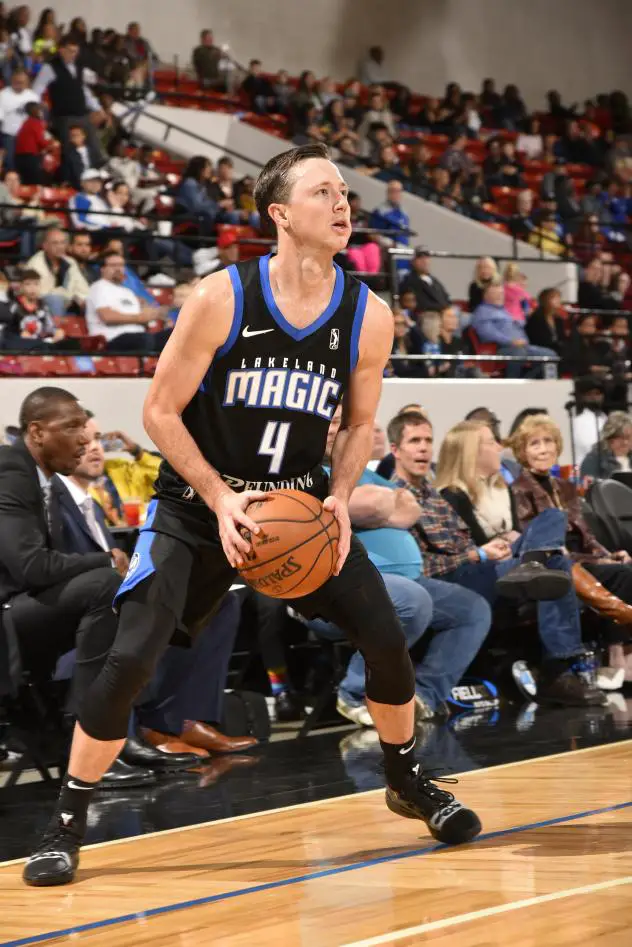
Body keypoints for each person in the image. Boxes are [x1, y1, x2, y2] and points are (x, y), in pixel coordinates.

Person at [24, 142, 483, 888]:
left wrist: (336, 499)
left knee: (386, 629)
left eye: (344, 192)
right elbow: (159, 411)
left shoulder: (369, 315)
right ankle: (67, 818)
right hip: (196, 507)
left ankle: (405, 777)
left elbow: (361, 424)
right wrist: (219, 494)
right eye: (324, 192)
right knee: (132, 653)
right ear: (280, 213)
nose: (343, 204)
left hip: (299, 504)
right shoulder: (221, 297)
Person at [391, 411, 604, 706]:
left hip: (482, 567)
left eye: (428, 439)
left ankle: (558, 664)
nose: (424, 447)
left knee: (554, 524)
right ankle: (558, 669)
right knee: (556, 562)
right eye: (415, 441)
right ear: (395, 450)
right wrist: (479, 553)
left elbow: (468, 543)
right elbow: (420, 566)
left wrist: (496, 548)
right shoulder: (395, 497)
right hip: (454, 578)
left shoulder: (432, 495)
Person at [310, 406, 492, 724]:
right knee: (412, 600)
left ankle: (423, 696)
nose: (332, 429)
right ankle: (355, 692)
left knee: (471, 610)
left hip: (407, 580)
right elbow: (350, 508)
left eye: (340, 422)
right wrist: (378, 504)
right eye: (326, 421)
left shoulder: (363, 473)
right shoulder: (307, 473)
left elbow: (410, 509)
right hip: (338, 587)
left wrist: (375, 505)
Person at [509, 415, 632, 631]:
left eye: (548, 441)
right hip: (556, 561)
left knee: (623, 565)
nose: (544, 449)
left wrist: (608, 555)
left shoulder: (565, 487)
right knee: (620, 574)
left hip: (583, 556)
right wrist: (597, 561)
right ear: (522, 451)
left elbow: (587, 535)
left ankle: (621, 651)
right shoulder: (519, 490)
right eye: (534, 443)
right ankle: (618, 653)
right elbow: (541, 545)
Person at [32, 34, 105, 163]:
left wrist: (98, 108)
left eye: (76, 52)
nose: (74, 55)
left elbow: (84, 91)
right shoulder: (50, 68)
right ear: (61, 50)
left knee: (93, 148)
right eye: (71, 51)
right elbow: (37, 89)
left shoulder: (79, 68)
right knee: (70, 152)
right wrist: (37, 108)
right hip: (64, 117)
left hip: (82, 114)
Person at [85, 251, 171, 352]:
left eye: (121, 265)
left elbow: (144, 317)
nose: (118, 269)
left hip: (140, 337)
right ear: (102, 269)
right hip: (112, 339)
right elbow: (107, 316)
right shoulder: (98, 287)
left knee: (174, 335)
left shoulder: (127, 292)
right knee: (145, 339)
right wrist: (140, 318)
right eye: (113, 265)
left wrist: (155, 314)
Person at [471, 282, 557, 379]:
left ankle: (531, 381)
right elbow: (487, 333)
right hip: (501, 348)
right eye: (496, 294)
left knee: (550, 355)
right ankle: (513, 382)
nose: (501, 296)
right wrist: (510, 341)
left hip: (523, 346)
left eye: (502, 294)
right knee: (518, 353)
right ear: (486, 296)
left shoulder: (503, 310)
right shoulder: (483, 311)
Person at [27, 226, 90, 316]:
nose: (60, 247)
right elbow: (37, 294)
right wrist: (67, 297)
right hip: (43, 310)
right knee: (55, 300)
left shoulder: (70, 262)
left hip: (69, 307)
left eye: (62, 243)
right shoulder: (35, 264)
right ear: (45, 246)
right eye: (55, 243)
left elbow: (83, 289)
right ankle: (57, 329)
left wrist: (82, 300)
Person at [0, 68, 39, 169]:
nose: (19, 84)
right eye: (16, 82)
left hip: (28, 138)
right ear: (12, 80)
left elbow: (38, 119)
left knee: (27, 164)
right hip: (9, 136)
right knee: (10, 162)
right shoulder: (3, 95)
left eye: (22, 82)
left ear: (27, 82)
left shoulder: (33, 96)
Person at [580, 412, 632, 480]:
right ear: (608, 437)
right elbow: (589, 487)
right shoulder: (594, 459)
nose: (625, 442)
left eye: (628, 437)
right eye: (621, 437)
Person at [399, 247, 452, 314]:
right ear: (413, 261)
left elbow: (446, 297)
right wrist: (443, 308)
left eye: (426, 257)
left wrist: (447, 308)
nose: (424, 261)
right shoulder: (409, 280)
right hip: (427, 315)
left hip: (444, 313)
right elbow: (418, 304)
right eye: (420, 258)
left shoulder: (433, 280)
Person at [526, 288, 566, 354]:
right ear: (545, 300)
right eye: (554, 298)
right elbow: (539, 340)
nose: (558, 300)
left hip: (556, 348)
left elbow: (562, 338)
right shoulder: (537, 318)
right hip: (541, 348)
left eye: (559, 298)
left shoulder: (558, 319)